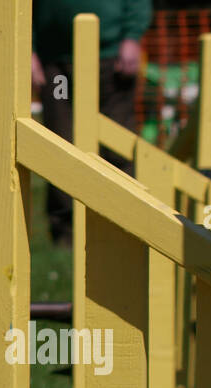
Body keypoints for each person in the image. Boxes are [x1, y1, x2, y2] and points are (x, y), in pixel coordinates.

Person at [32, 1, 152, 247]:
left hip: (110, 63)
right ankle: (66, 237)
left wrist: (132, 36)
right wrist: (27, 48)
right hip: (58, 70)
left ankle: (126, 229)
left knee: (118, 150)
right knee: (59, 146)